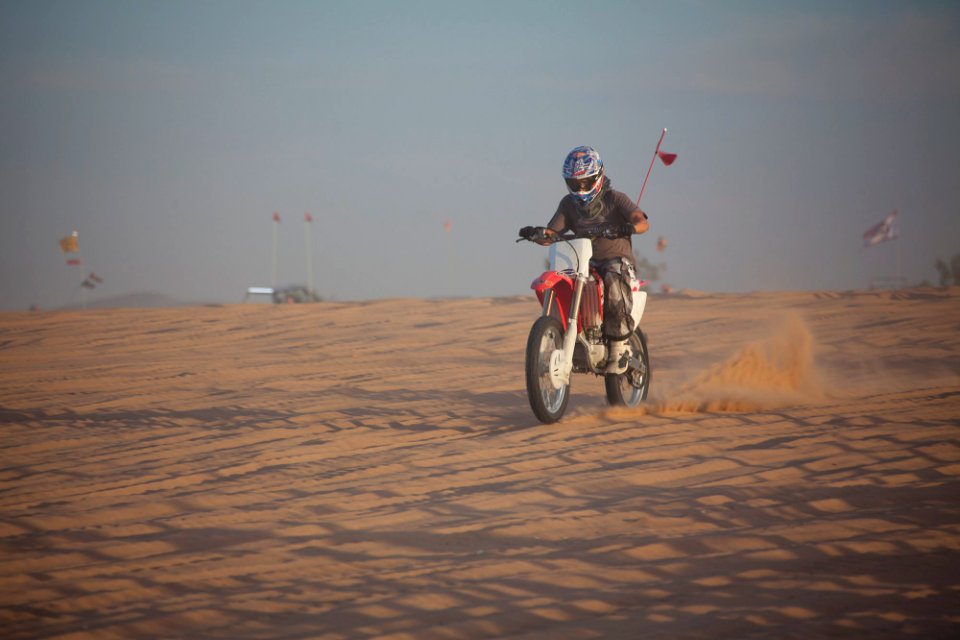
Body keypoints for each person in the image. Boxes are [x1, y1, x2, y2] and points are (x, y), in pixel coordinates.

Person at [523, 146, 650, 373]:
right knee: (566, 283)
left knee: (613, 279)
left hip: (615, 260)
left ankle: (619, 349)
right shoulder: (568, 204)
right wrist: (537, 234)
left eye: (586, 182)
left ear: (598, 176)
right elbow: (552, 234)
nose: (581, 189)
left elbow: (642, 221)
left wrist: (629, 226)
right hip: (583, 263)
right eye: (575, 184)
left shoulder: (615, 198)